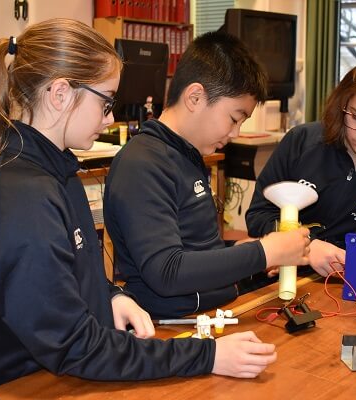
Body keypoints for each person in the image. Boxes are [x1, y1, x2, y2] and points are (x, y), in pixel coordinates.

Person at [0, 19, 278, 390]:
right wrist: (206, 355)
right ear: (60, 94)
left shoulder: (59, 172)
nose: (111, 118)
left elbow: (63, 279)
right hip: (33, 386)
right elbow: (75, 344)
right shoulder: (23, 196)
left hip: (67, 376)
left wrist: (111, 295)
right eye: (105, 102)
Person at [103, 31, 311, 319]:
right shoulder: (142, 164)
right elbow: (167, 271)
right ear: (195, 97)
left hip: (218, 310)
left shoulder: (188, 155)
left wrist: (237, 250)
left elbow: (194, 247)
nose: (236, 132)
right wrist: (263, 252)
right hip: (173, 326)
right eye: (234, 118)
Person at [246, 50, 356, 277]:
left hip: (351, 285)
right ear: (343, 103)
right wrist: (308, 247)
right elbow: (258, 215)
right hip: (279, 278)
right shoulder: (300, 142)